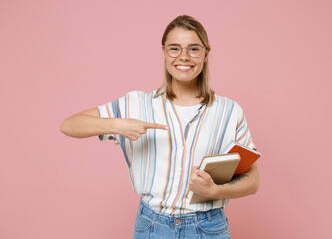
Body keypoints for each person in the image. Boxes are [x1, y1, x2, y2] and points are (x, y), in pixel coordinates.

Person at [60, 15, 259, 239]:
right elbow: (69, 125)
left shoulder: (229, 112)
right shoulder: (136, 104)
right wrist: (117, 124)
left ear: (205, 54)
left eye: (193, 49)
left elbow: (252, 181)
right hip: (152, 227)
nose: (184, 56)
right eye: (175, 48)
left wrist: (216, 191)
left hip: (208, 227)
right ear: (164, 52)